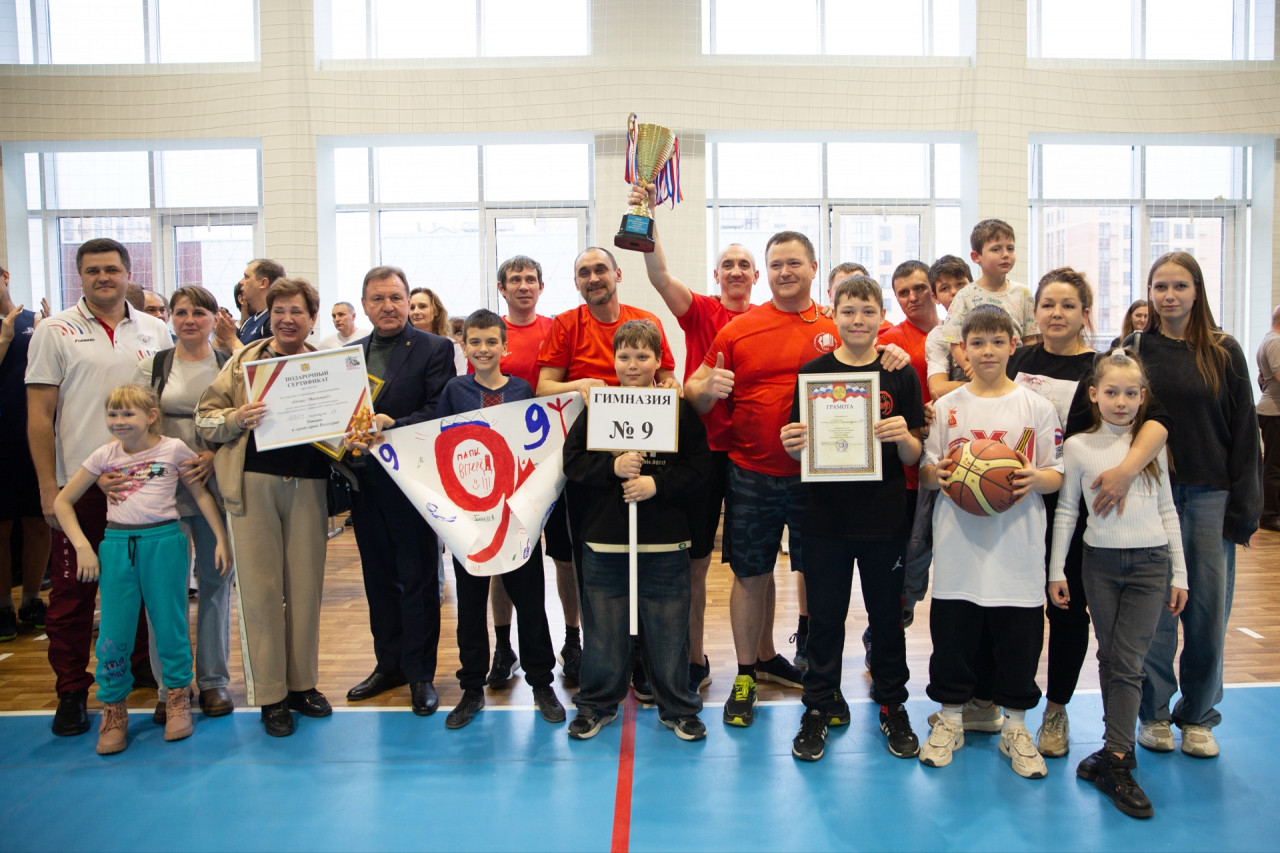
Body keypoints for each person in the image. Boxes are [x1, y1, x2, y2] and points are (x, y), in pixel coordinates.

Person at [1000, 268, 1170, 759]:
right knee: (1013, 607)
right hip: (1016, 505)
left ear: (1084, 315)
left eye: (1068, 305)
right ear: (1035, 313)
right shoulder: (1018, 359)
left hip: (1075, 511)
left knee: (1067, 613)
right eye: (1048, 304)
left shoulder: (1099, 368)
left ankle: (1056, 710)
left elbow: (1156, 417)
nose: (1057, 313)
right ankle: (998, 700)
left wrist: (1127, 470)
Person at [684, 231, 834, 727]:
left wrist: (894, 355)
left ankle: (824, 680)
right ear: (765, 273)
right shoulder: (739, 329)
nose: (785, 272)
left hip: (820, 478)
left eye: (794, 263)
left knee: (822, 578)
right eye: (776, 264)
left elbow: (875, 361)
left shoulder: (836, 327)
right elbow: (694, 392)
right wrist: (708, 390)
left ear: (814, 267)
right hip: (750, 473)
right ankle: (746, 673)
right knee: (750, 577)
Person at [26, 237, 172, 736]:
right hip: (81, 484)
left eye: (112, 269)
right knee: (72, 592)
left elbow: (162, 408)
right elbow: (39, 417)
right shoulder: (53, 330)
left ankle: (139, 676)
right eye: (92, 270)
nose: (103, 277)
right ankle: (70, 689)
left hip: (143, 484)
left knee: (140, 589)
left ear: (129, 273)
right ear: (79, 276)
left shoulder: (156, 330)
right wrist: (49, 487)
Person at [779, 275, 924, 761]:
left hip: (884, 517)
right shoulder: (812, 374)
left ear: (881, 317)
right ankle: (818, 706)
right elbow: (797, 441)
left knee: (887, 619)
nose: (858, 320)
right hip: (825, 518)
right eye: (848, 311)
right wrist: (791, 443)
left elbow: (915, 453)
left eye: (867, 310)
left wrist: (903, 436)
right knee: (825, 620)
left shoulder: (899, 372)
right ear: (834, 315)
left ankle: (891, 706)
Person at [918, 305, 1063, 779]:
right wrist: (936, 474)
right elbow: (926, 469)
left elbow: (1057, 473)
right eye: (976, 343)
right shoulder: (946, 406)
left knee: (1018, 636)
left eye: (996, 342)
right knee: (954, 633)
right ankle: (952, 720)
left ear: (1013, 344)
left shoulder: (1036, 407)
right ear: (961, 349)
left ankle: (1016, 728)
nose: (986, 351)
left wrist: (1032, 477)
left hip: (1017, 543)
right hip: (959, 540)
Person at [628, 181, 759, 690]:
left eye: (743, 265)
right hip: (701, 452)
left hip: (752, 455)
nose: (734, 272)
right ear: (717, 275)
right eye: (727, 265)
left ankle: (762, 655)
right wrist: (648, 211)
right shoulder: (702, 310)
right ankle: (693, 658)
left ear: (754, 276)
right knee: (695, 563)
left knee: (755, 567)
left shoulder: (771, 319)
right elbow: (657, 272)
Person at [53, 383, 231, 754]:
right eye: (113, 414)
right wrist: (84, 547)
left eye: (127, 413)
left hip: (165, 544)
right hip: (117, 548)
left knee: (170, 626)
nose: (118, 421)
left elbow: (201, 494)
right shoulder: (103, 456)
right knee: (113, 634)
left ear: (151, 416)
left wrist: (220, 539)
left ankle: (179, 697)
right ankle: (114, 709)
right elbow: (62, 502)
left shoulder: (173, 449)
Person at [1133, 252, 1262, 759]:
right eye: (1160, 286)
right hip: (1151, 496)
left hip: (1210, 497)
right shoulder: (1136, 347)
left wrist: (1244, 506)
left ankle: (1199, 716)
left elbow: (1245, 435)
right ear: (1150, 292)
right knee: (1158, 613)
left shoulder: (1224, 352)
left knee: (1207, 613)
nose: (1169, 295)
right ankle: (1155, 714)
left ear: (1197, 291)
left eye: (1179, 286)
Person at [1049, 349, 1187, 819]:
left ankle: (1119, 759)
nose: (1122, 401)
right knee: (1111, 658)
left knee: (1128, 661)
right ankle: (1113, 752)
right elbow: (1068, 511)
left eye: (1131, 393)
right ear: (1093, 395)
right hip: (1098, 566)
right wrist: (1055, 571)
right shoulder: (1079, 446)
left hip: (1151, 566)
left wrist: (1180, 572)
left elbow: (1168, 509)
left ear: (1144, 397)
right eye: (1111, 392)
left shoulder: (1151, 446)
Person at [537, 246, 678, 692]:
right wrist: (580, 384)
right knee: (591, 561)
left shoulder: (645, 321)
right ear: (577, 283)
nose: (593, 277)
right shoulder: (566, 324)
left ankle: (642, 653)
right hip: (593, 460)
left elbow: (669, 378)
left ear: (617, 273)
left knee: (646, 558)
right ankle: (584, 642)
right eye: (583, 272)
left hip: (648, 454)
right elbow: (544, 386)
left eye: (600, 269)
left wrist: (672, 385)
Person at [196, 277, 333, 737]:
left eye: (297, 311)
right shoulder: (242, 363)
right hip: (253, 483)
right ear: (268, 316)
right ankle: (271, 696)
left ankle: (302, 685)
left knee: (306, 589)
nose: (288, 319)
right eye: (279, 312)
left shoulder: (329, 365)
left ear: (312, 318)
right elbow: (206, 417)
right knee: (259, 592)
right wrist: (237, 418)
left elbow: (348, 423)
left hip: (310, 485)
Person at [563, 320, 710, 741]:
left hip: (664, 541)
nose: (632, 364)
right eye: (624, 356)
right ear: (613, 360)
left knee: (667, 630)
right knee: (604, 630)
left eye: (642, 356)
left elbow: (698, 469)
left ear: (658, 361)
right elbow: (572, 464)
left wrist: (656, 484)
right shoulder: (597, 408)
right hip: (606, 540)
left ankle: (678, 707)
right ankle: (596, 704)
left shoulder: (677, 409)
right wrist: (611, 466)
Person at [434, 309, 564, 729]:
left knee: (531, 604)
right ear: (464, 346)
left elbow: (536, 448)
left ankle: (541, 683)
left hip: (516, 520)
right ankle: (471, 689)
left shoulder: (523, 389)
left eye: (492, 342)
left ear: (505, 347)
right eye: (475, 342)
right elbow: (434, 441)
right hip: (469, 523)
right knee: (469, 608)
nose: (484, 349)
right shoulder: (455, 390)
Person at [342, 266, 456, 716]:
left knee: (418, 580)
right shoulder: (350, 354)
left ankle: (420, 674)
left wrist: (393, 426)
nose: (387, 307)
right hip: (364, 483)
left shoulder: (435, 348)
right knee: (378, 581)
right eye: (377, 299)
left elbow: (438, 409)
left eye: (395, 298)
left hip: (411, 482)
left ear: (409, 302)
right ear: (365, 304)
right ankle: (387, 664)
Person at [133, 286, 236, 719]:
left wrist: (214, 454)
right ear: (169, 319)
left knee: (215, 583)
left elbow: (245, 424)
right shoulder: (152, 366)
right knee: (165, 589)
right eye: (180, 312)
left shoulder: (229, 365)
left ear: (215, 317)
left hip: (214, 479)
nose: (189, 319)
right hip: (163, 487)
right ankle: (170, 685)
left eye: (198, 312)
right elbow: (136, 425)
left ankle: (213, 682)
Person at [485, 256, 575, 688]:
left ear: (541, 286)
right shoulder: (489, 337)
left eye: (530, 280)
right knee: (505, 559)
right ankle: (504, 647)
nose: (523, 286)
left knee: (564, 555)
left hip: (554, 465)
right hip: (503, 468)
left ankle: (571, 641)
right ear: (502, 288)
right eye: (514, 280)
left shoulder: (558, 329)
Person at [0, 264, 50, 642]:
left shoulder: (37, 321)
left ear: (5, 276)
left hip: (35, 439)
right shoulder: (7, 331)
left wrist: (50, 336)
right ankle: (3, 604)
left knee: (38, 521)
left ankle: (33, 598)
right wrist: (2, 341)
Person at [938, 219, 1039, 377]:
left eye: (1010, 248)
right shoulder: (964, 296)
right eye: (996, 249)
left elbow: (1030, 339)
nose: (1005, 254)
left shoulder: (1023, 292)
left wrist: (1027, 369)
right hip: (975, 368)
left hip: (1014, 367)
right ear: (976, 256)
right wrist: (968, 367)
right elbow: (955, 342)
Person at [924, 254, 973, 401]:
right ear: (935, 297)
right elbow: (937, 389)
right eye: (945, 288)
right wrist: (983, 384)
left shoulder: (996, 320)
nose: (954, 292)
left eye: (960, 284)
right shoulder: (937, 335)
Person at [213, 259, 285, 353]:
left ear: (263, 283)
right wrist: (222, 337)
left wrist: (230, 339)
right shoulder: (248, 322)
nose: (241, 282)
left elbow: (262, 366)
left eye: (246, 277)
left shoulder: (274, 320)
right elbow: (233, 356)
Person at [1255, 305, 1280, 532]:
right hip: (1274, 412)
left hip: (1273, 410)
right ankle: (1271, 516)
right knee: (1274, 466)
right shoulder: (1275, 342)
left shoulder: (1270, 340)